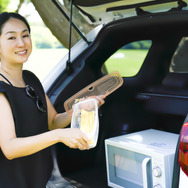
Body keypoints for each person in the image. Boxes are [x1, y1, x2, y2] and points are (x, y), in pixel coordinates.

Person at [0, 12, 105, 188]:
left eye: (25, 35)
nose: (21, 43)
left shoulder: (31, 79)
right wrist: (58, 136)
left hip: (41, 180)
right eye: (11, 37)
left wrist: (79, 109)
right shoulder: (1, 90)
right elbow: (10, 148)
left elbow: (54, 121)